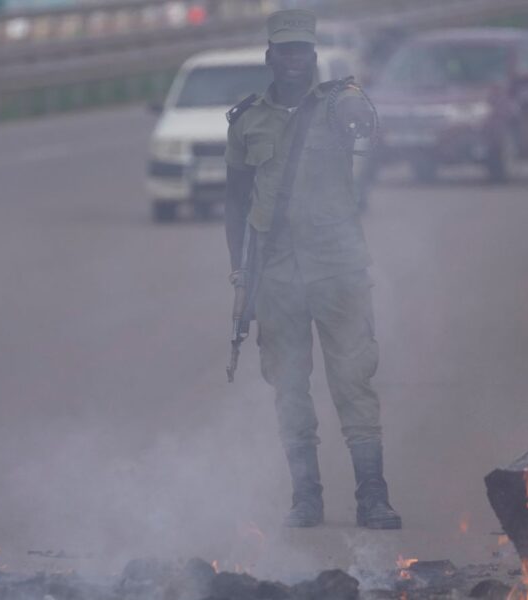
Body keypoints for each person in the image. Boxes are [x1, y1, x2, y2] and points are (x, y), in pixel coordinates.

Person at [224, 9, 402, 530]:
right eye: (286, 51)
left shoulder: (335, 105)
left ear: (314, 56)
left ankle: (373, 498)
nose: (295, 60)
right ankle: (307, 498)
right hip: (276, 274)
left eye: (303, 50)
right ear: (270, 57)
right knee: (289, 388)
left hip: (337, 267)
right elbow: (235, 203)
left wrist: (357, 107)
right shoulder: (248, 121)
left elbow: (365, 120)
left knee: (353, 382)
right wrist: (240, 274)